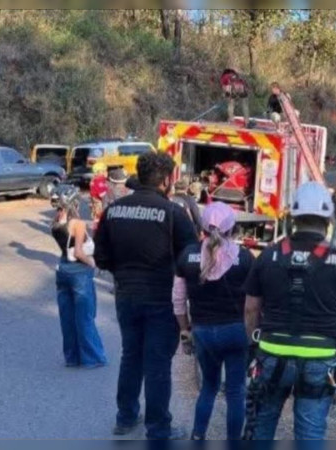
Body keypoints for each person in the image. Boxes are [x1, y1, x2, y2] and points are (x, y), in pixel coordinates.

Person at [243, 181, 336, 440]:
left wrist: (252, 348)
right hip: (320, 358)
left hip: (272, 353)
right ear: (328, 220)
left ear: (293, 218)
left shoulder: (268, 257)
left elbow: (250, 310)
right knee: (310, 433)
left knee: (261, 427)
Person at [94, 152, 199, 440]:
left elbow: (100, 257)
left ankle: (125, 417)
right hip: (160, 298)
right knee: (157, 363)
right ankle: (158, 428)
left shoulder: (114, 210)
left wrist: (124, 271)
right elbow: (191, 257)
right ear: (166, 180)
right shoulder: (173, 213)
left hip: (126, 296)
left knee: (131, 356)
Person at [173, 202, 255, 440]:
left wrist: (185, 330)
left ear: (204, 228)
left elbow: (178, 300)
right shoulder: (246, 257)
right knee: (235, 391)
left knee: (208, 387)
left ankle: (198, 435)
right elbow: (254, 304)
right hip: (236, 331)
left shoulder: (187, 256)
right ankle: (233, 441)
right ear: (233, 228)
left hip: (203, 331)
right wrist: (252, 334)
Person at [50, 184, 108, 369]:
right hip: (79, 271)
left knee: (67, 317)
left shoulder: (55, 222)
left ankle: (72, 357)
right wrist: (94, 263)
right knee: (85, 316)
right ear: (73, 201)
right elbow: (79, 252)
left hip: (63, 269)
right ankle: (92, 358)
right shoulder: (78, 224)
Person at [90, 162, 109, 227]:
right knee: (98, 217)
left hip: (98, 202)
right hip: (99, 202)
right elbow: (101, 194)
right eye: (103, 171)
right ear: (98, 172)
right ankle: (98, 231)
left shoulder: (99, 180)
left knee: (98, 217)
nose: (105, 172)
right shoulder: (98, 181)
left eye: (105, 170)